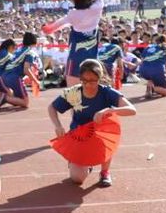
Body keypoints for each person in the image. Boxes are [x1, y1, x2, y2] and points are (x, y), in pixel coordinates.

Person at [48, 58, 136, 188]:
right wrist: (58, 125)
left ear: (99, 78)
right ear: (80, 78)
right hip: (79, 136)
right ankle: (84, 164)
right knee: (77, 178)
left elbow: (132, 110)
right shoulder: (74, 92)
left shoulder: (107, 92)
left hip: (100, 135)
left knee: (108, 137)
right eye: (84, 81)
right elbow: (52, 107)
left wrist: (109, 110)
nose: (88, 85)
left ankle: (105, 172)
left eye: (93, 81)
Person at [49, 0, 104, 85]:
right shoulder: (98, 6)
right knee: (91, 92)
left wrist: (47, 28)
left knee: (72, 93)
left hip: (75, 59)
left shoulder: (73, 14)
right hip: (92, 59)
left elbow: (53, 28)